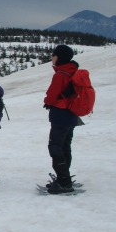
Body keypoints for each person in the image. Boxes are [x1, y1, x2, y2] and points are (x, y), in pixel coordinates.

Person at [43, 45, 80, 194]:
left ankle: (64, 182)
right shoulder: (73, 71)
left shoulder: (60, 74)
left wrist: (47, 101)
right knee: (65, 146)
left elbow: (52, 95)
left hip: (60, 115)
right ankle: (64, 178)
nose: (52, 58)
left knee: (55, 147)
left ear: (60, 57)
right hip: (71, 115)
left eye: (54, 55)